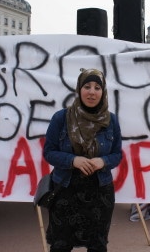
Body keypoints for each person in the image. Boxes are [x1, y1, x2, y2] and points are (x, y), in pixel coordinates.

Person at [43, 68, 122, 252]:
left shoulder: (111, 121)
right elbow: (49, 152)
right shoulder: (61, 118)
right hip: (65, 189)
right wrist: (73, 160)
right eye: (87, 86)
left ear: (103, 92)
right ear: (79, 89)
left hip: (100, 192)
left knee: (98, 244)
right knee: (61, 244)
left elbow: (117, 154)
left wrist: (103, 162)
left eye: (97, 87)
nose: (92, 92)